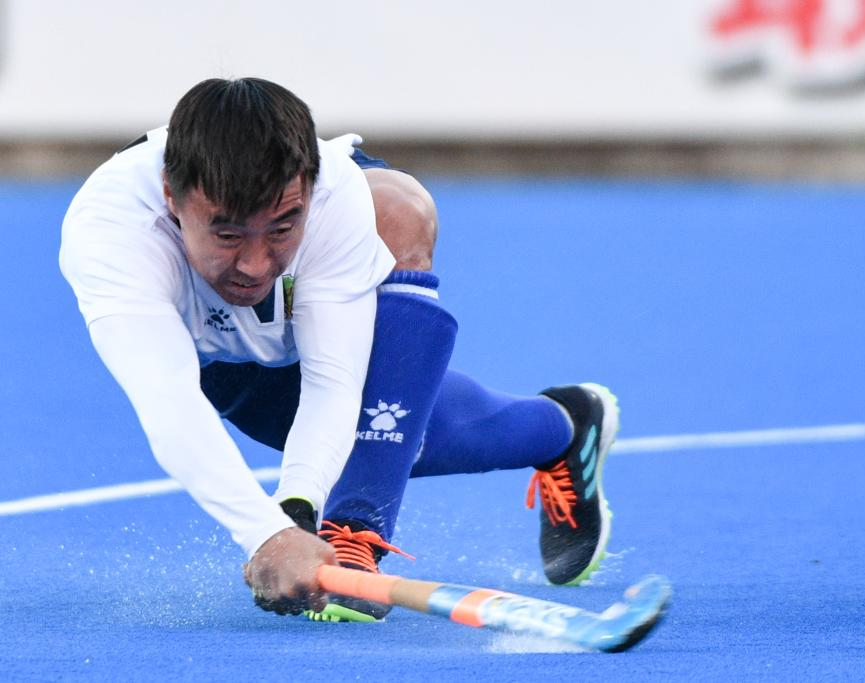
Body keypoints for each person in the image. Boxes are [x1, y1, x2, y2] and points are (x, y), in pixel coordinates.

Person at [59, 77, 619, 622]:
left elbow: (334, 381)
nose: (255, 264)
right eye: (227, 236)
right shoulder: (112, 234)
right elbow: (168, 400)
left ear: (308, 190)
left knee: (396, 210)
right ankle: (564, 427)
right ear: (171, 196)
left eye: (282, 229)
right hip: (221, 358)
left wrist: (300, 514)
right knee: (407, 437)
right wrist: (268, 534)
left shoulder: (334, 196)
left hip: (329, 300)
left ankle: (356, 532)